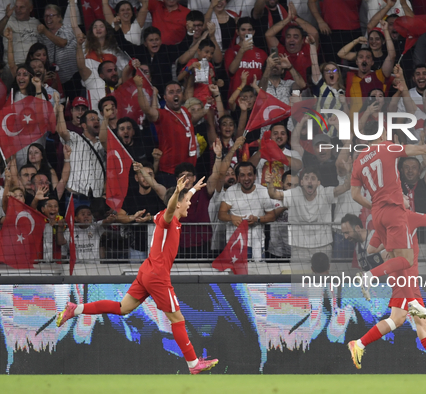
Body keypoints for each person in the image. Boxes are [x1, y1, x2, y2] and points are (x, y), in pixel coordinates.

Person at [56, 175, 219, 374]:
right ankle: (194, 364)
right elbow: (172, 208)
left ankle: (75, 309)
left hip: (147, 271)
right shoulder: (168, 219)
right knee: (177, 319)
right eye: (187, 201)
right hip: (157, 276)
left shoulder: (161, 216)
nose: (190, 204)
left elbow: (172, 207)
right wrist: (178, 193)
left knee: (122, 308)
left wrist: (192, 190)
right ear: (176, 203)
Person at [347, 192, 426, 372]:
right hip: (405, 277)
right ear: (396, 201)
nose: (409, 198)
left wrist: (388, 247)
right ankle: (360, 344)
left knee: (402, 319)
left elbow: (371, 248)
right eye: (405, 196)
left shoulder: (386, 221)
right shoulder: (408, 217)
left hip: (401, 276)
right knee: (413, 320)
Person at [350, 123, 426, 301]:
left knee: (394, 257)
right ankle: (369, 276)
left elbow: (355, 195)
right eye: (385, 132)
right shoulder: (387, 147)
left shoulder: (358, 162)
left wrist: (374, 206)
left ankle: (410, 303)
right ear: (382, 134)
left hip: (377, 215)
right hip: (393, 211)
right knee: (407, 260)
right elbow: (423, 149)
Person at [266, 167, 351, 267]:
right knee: (299, 281)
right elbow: (274, 194)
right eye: (306, 178)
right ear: (301, 182)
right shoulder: (294, 193)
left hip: (323, 247)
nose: (309, 181)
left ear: (318, 183)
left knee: (322, 280)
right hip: (299, 248)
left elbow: (346, 186)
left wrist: (349, 172)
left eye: (313, 178)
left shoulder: (325, 193)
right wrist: (270, 183)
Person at [134, 76, 200, 187]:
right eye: (171, 92)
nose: (175, 94)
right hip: (169, 174)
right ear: (165, 97)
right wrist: (139, 87)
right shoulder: (162, 115)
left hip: (188, 172)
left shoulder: (185, 111)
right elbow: (147, 110)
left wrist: (207, 107)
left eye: (178, 91)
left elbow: (193, 119)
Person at [218, 162, 281, 262]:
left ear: (255, 176)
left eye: (249, 174)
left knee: (257, 276)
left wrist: (258, 219)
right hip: (234, 245)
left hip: (256, 245)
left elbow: (272, 216)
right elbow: (221, 214)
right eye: (242, 175)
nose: (246, 178)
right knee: (234, 276)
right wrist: (232, 217)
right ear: (238, 177)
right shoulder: (231, 191)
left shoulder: (263, 191)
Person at [0, 0, 40, 68]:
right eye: (16, 7)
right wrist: (7, 16)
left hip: (31, 66)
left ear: (30, 8)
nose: (18, 10)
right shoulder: (8, 21)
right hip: (11, 66)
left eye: (22, 7)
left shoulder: (36, 23)